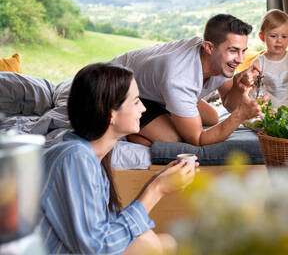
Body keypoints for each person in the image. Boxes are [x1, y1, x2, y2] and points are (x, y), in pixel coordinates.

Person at [38, 63, 197, 254]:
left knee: (166, 243)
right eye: (137, 101)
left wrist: (154, 182)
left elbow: (105, 230)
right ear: (111, 113)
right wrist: (157, 189)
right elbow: (98, 247)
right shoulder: (74, 158)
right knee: (150, 244)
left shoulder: (91, 159)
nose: (144, 109)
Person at [110, 14, 262, 147]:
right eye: (233, 50)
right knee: (176, 139)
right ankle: (136, 132)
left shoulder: (220, 60)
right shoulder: (179, 78)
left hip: (157, 87)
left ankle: (171, 108)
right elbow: (198, 139)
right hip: (121, 88)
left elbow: (230, 103)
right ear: (209, 47)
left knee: (212, 117)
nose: (240, 60)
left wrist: (238, 87)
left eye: (243, 51)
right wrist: (240, 116)